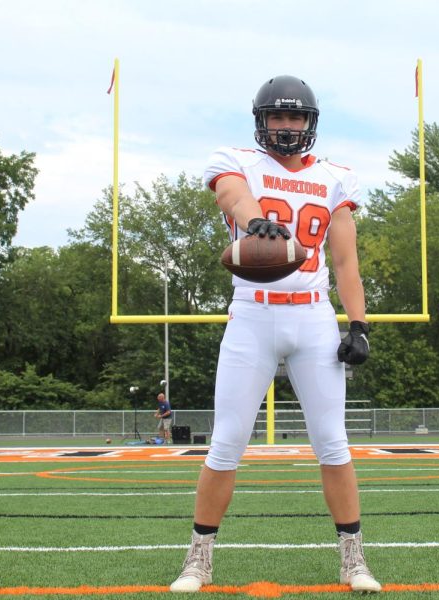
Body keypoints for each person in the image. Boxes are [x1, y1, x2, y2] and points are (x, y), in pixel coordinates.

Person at [170, 75, 379, 593]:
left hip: (312, 315)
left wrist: (358, 324)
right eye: (278, 117)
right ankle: (198, 559)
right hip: (254, 313)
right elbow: (229, 194)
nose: (287, 127)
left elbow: (346, 260)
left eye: (296, 118)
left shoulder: (335, 178)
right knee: (226, 443)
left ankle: (354, 560)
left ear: (311, 123)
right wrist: (255, 219)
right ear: (261, 121)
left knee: (333, 442)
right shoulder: (238, 161)